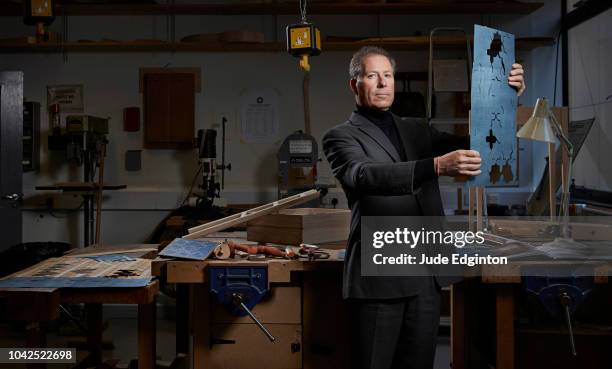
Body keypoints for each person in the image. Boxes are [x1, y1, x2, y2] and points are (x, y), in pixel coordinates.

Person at [322, 46, 525, 369]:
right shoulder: (340, 137)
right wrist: (435, 166)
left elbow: (477, 141)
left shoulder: (415, 129)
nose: (382, 83)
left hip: (426, 276)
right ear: (354, 84)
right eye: (372, 76)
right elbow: (364, 175)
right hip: (380, 278)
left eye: (387, 75)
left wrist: (506, 99)